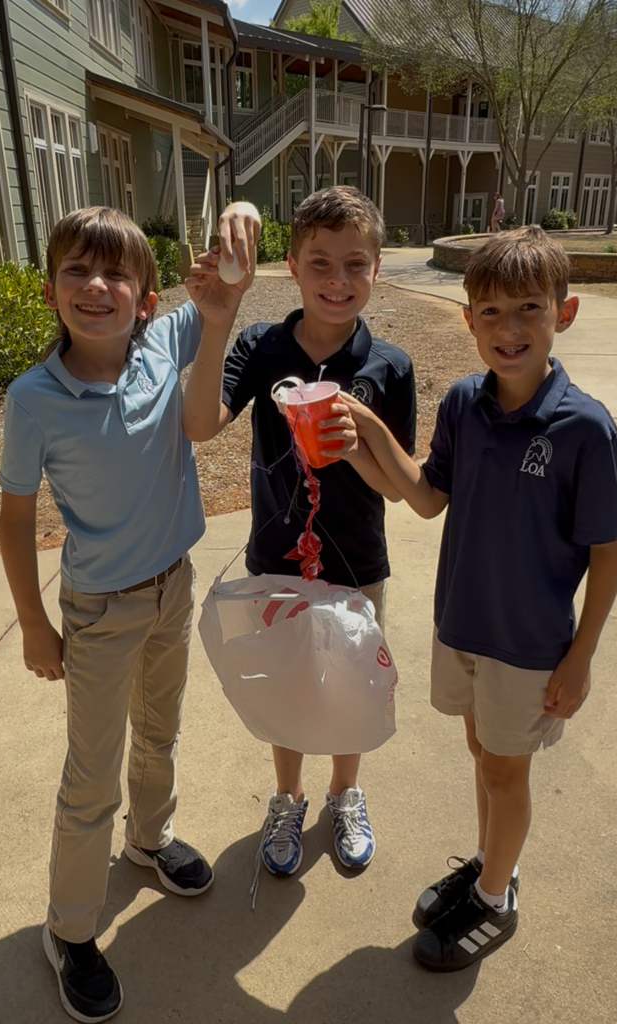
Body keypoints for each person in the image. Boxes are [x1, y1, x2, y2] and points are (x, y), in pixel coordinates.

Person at [0, 202, 260, 1022]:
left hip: (170, 586)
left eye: (116, 274)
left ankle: (148, 843)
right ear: (50, 291)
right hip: (100, 609)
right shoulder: (33, 398)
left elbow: (218, 298)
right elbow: (12, 519)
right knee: (90, 775)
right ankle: (70, 929)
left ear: (147, 299)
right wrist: (35, 624)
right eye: (77, 269)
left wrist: (241, 215)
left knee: (161, 733)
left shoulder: (163, 344)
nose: (97, 285)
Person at [342, 226, 617, 971]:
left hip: (529, 643)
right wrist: (362, 436)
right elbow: (425, 496)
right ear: (467, 320)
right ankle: (485, 863)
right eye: (491, 312)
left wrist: (580, 656)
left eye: (528, 309)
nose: (509, 329)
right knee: (481, 752)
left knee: (506, 770)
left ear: (561, 315)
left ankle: (494, 900)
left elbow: (608, 549)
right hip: (461, 623)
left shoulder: (583, 430)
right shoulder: (465, 404)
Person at [182, 186, 416, 885]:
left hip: (356, 565)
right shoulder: (262, 345)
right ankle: (286, 799)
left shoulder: (388, 366)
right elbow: (199, 426)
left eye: (354, 264)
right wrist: (218, 319)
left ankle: (345, 793)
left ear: (377, 269)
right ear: (289, 266)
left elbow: (396, 487)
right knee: (286, 686)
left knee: (347, 688)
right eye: (319, 263)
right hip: (275, 560)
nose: (336, 281)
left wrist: (353, 448)